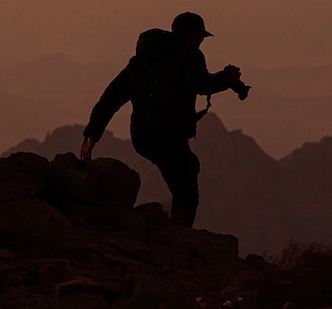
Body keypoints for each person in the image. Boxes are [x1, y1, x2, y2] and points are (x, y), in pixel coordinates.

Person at [79, 12, 248, 227]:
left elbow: (112, 97)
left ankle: (173, 228)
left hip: (142, 135)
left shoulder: (141, 60)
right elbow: (201, 84)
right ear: (193, 36)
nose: (201, 43)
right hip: (169, 134)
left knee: (186, 168)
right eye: (201, 38)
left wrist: (92, 133)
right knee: (186, 181)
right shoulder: (190, 55)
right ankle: (178, 232)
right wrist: (227, 78)